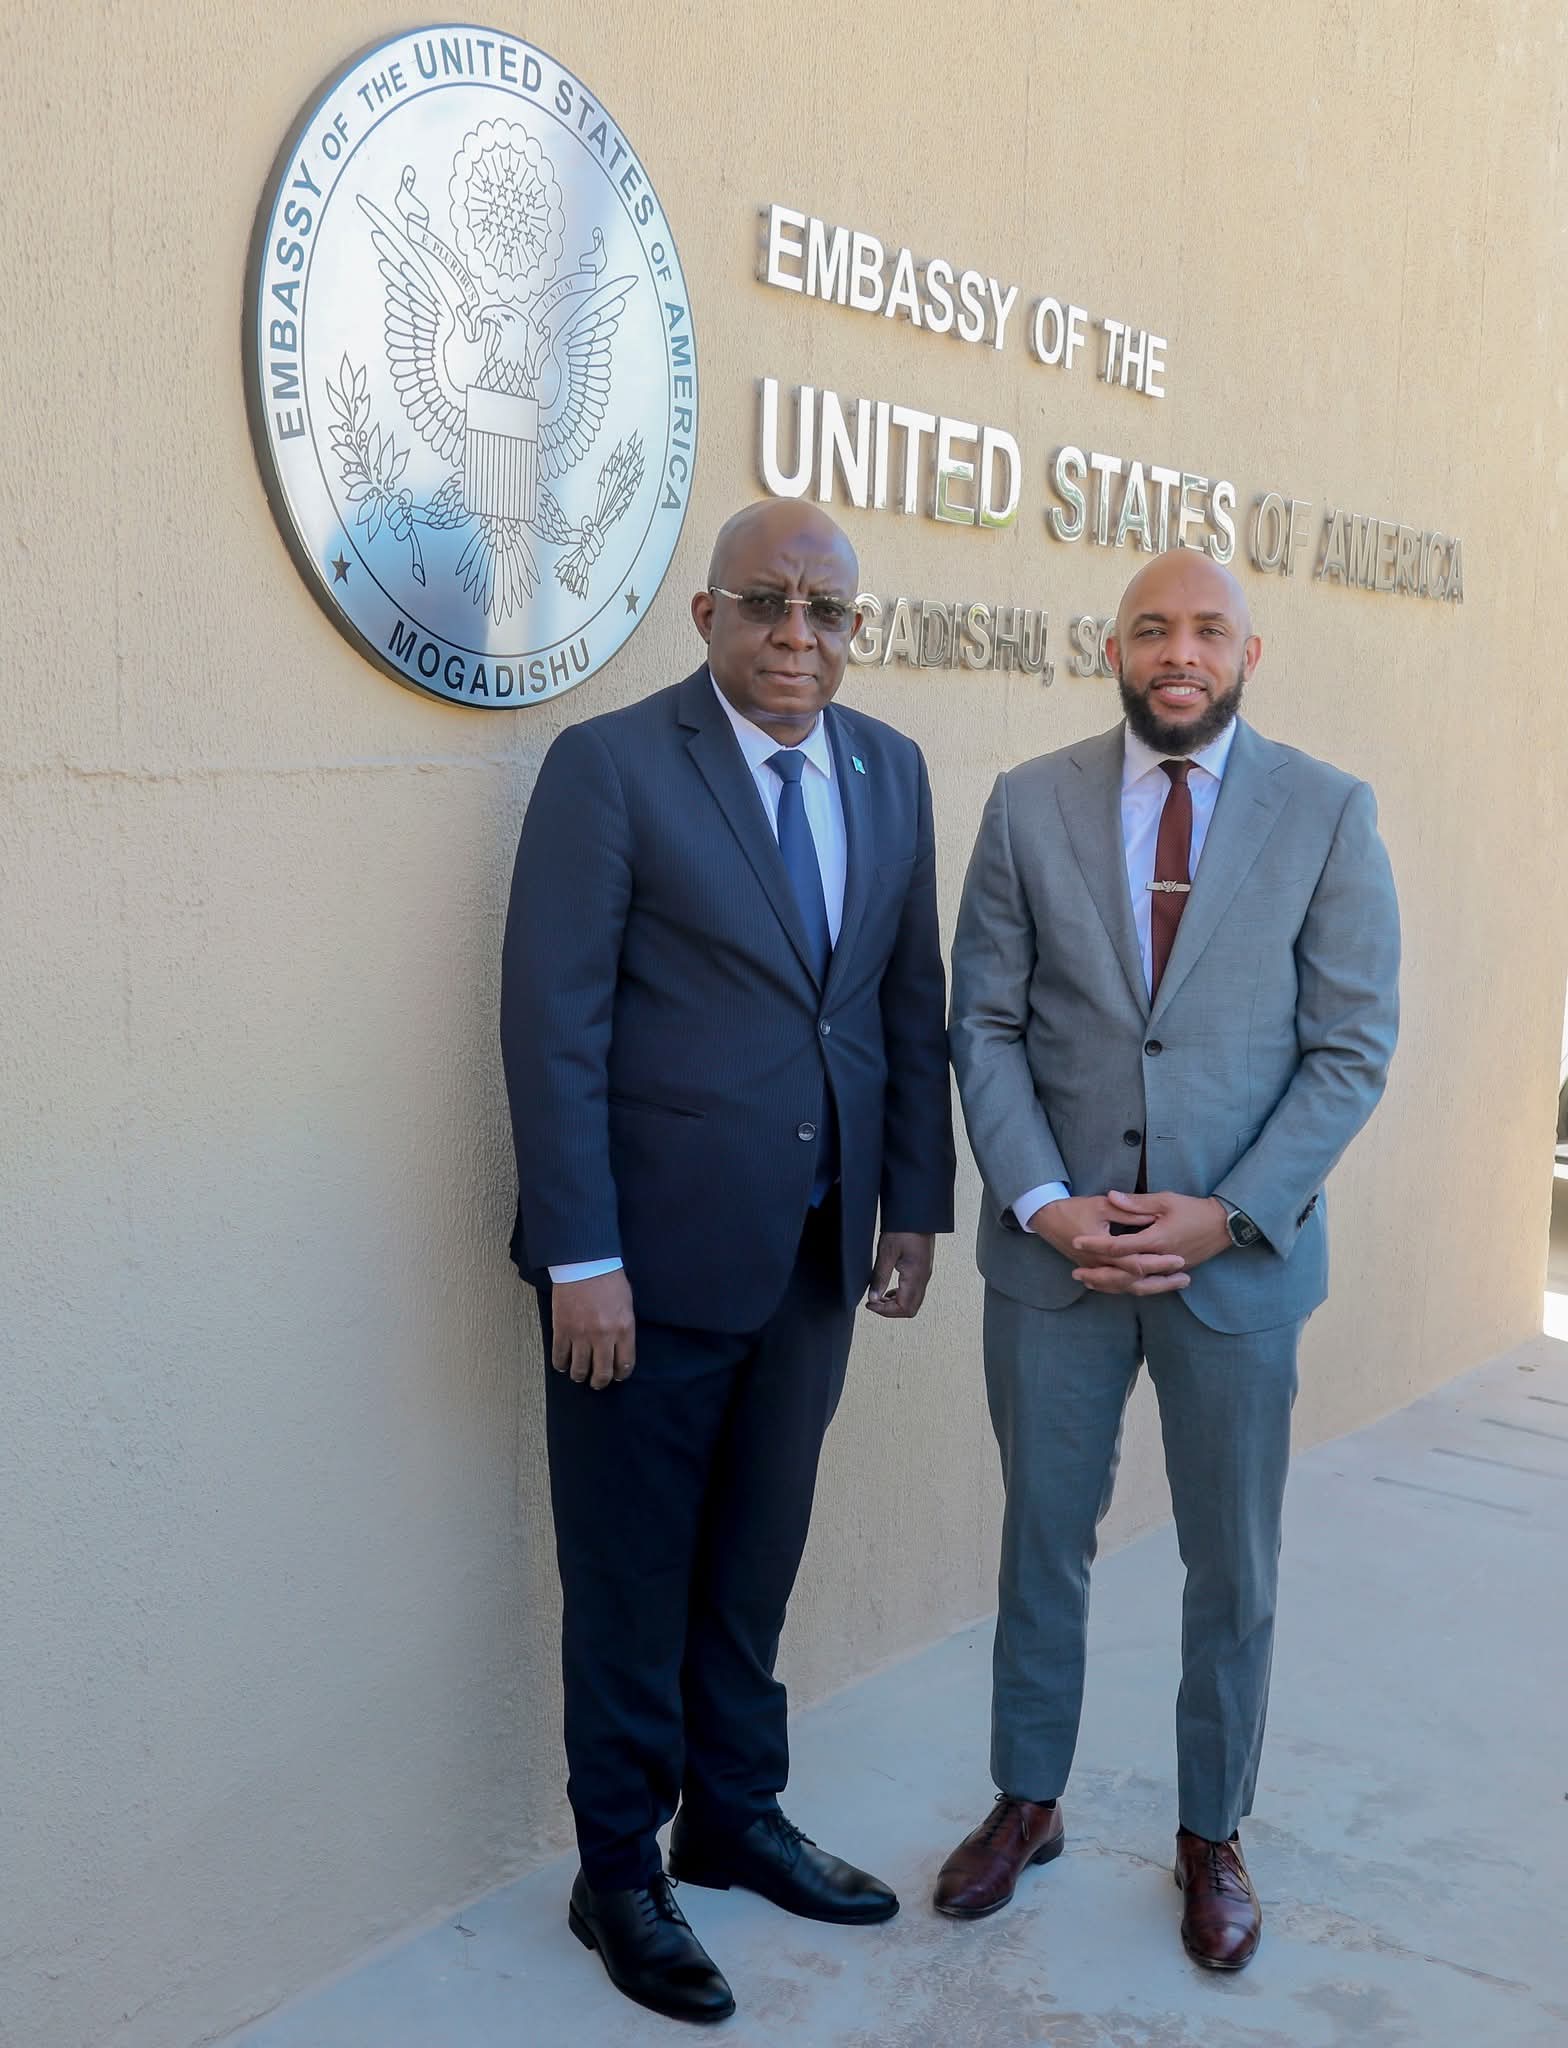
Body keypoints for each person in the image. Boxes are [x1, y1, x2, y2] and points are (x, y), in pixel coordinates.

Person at [501, 500, 954, 2024]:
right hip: (642, 1270)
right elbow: (552, 1026)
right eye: (768, 604)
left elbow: (901, 1005)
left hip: (814, 1256)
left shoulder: (891, 770)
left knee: (757, 1559)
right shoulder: (613, 768)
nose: (798, 636)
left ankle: (736, 1816)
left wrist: (911, 1201)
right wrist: (581, 1255)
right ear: (706, 616)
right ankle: (618, 1871)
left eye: (828, 611)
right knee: (631, 1578)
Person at [938, 549, 1399, 1969]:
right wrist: (1041, 1199)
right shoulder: (1027, 805)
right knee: (1042, 1539)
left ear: (1249, 655)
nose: (1178, 653)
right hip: (1057, 1264)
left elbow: (1350, 1047)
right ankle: (1029, 1800)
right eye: (1152, 629)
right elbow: (984, 1022)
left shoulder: (1328, 813)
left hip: (1236, 1270)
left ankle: (1212, 1833)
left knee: (1231, 1564)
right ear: (1116, 653)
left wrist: (1229, 1212)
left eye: (1206, 630)